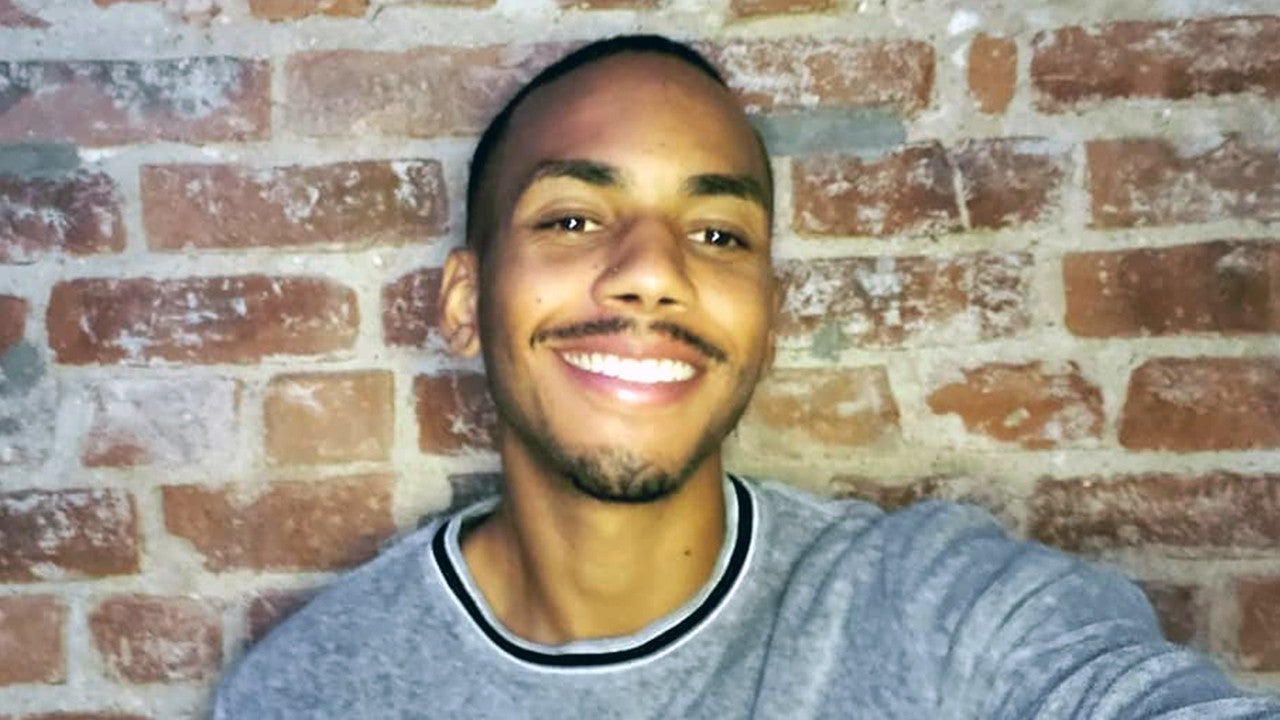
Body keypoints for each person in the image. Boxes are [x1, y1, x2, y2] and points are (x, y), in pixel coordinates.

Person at [213, 35, 1280, 719]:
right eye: (573, 219)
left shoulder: (937, 611)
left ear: (767, 322)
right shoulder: (308, 691)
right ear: (462, 303)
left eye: (718, 234)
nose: (652, 274)